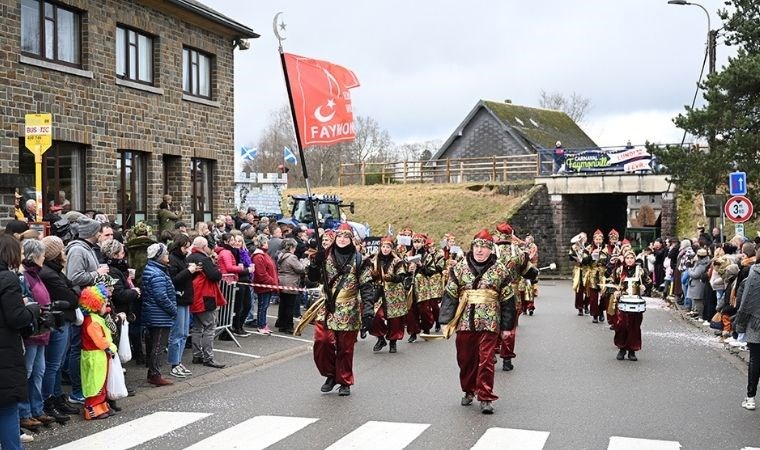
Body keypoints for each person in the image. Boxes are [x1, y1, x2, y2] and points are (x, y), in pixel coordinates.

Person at [438, 229, 516, 414]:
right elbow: (450, 295)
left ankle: (486, 396)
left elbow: (508, 300)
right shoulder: (460, 268)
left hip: (489, 323)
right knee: (465, 359)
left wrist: (507, 327)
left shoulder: (500, 270)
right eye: (477, 246)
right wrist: (445, 320)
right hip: (465, 322)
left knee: (486, 360)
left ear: (491, 250)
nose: (480, 250)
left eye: (484, 247)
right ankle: (468, 390)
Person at [300, 223, 375, 396]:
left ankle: (344, 380)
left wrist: (368, 310)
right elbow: (312, 279)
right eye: (339, 236)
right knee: (322, 341)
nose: (342, 239)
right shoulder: (325, 255)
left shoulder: (360, 260)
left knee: (345, 347)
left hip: (349, 308)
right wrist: (314, 265)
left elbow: (366, 286)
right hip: (327, 306)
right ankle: (330, 374)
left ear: (351, 239)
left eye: (346, 236)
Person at [64, 216, 109, 405]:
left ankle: (86, 387)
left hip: (90, 301)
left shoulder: (87, 249)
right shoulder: (77, 250)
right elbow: (74, 277)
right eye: (99, 231)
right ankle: (77, 390)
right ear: (92, 233)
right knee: (78, 347)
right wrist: (96, 274)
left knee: (85, 346)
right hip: (82, 303)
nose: (101, 235)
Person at [0, 234, 39, 449]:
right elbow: (16, 317)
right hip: (5, 351)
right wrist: (30, 310)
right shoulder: (8, 278)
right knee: (7, 407)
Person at [38, 236, 81, 421]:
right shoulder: (49, 274)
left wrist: (73, 291)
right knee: (53, 365)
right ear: (55, 254)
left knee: (56, 364)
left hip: (64, 320)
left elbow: (73, 289)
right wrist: (74, 293)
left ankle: (56, 397)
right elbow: (72, 297)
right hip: (59, 321)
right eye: (62, 250)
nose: (64, 253)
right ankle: (50, 400)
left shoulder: (55, 271)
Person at [18, 239, 57, 430]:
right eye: (42, 255)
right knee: (28, 372)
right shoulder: (25, 276)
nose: (44, 258)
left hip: (41, 330)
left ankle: (36, 409)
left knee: (38, 372)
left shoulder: (35, 274)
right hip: (33, 331)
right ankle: (24, 412)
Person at [78, 284, 117, 420]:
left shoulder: (96, 319)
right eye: (103, 304)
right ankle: (92, 409)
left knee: (101, 382)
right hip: (94, 356)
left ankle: (102, 406)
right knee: (95, 383)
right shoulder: (92, 322)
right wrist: (111, 348)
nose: (106, 307)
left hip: (99, 356)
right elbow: (99, 340)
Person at [140, 243, 177, 386]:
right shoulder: (157, 273)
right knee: (158, 346)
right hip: (158, 315)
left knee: (155, 345)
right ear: (159, 257)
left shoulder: (155, 270)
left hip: (155, 313)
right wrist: (173, 310)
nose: (168, 256)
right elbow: (161, 296)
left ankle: (153, 373)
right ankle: (155, 374)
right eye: (166, 254)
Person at [186, 237, 225, 368]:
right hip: (205, 296)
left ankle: (197, 355)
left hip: (193, 296)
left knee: (197, 327)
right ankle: (208, 357)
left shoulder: (189, 257)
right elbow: (215, 275)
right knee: (209, 327)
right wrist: (216, 267)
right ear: (204, 247)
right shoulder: (204, 259)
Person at [167, 235, 199, 378]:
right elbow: (174, 280)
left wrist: (192, 272)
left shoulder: (183, 259)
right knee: (177, 333)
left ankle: (178, 361)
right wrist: (188, 271)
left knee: (185, 333)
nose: (187, 250)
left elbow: (185, 278)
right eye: (185, 247)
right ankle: (174, 363)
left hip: (185, 298)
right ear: (179, 246)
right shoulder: (173, 259)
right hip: (178, 298)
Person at [368, 236, 408, 353]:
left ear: (392, 248)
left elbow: (401, 276)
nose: (385, 249)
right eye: (383, 247)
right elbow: (369, 276)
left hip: (394, 294)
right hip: (379, 293)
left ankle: (393, 342)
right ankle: (380, 338)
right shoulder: (374, 260)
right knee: (375, 316)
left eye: (388, 247)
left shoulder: (397, 261)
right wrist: (374, 275)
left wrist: (392, 277)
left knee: (394, 320)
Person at [611, 250, 651, 361]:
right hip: (623, 301)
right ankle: (622, 349)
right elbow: (612, 282)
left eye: (631, 258)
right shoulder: (619, 270)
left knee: (634, 326)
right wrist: (615, 291)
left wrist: (645, 288)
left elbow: (648, 282)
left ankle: (632, 350)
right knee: (622, 325)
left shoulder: (641, 271)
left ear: (634, 259)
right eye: (627, 258)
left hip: (635, 301)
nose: (629, 260)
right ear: (624, 259)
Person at [214, 233, 252, 337]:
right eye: (233, 240)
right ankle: (232, 328)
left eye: (239, 241)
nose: (235, 242)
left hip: (239, 280)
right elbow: (229, 267)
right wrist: (244, 269)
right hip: (231, 281)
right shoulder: (227, 252)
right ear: (226, 241)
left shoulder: (239, 251)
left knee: (245, 305)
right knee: (234, 307)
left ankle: (236, 327)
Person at [736, 257, 760, 411]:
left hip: (756, 321)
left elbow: (746, 300)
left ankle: (750, 397)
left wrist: (740, 324)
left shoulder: (755, 272)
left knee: (755, 360)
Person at [275, 238, 305, 334]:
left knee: (283, 304)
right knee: (289, 305)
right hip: (290, 282)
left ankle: (281, 323)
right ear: (291, 247)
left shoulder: (281, 255)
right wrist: (304, 264)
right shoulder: (292, 257)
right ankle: (288, 326)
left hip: (282, 281)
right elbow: (300, 269)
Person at [251, 235, 278, 335]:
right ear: (262, 244)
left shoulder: (263, 255)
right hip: (263, 285)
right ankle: (261, 325)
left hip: (267, 285)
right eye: (266, 242)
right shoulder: (258, 256)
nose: (268, 244)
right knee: (262, 306)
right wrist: (272, 281)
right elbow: (261, 274)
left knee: (265, 306)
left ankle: (263, 324)